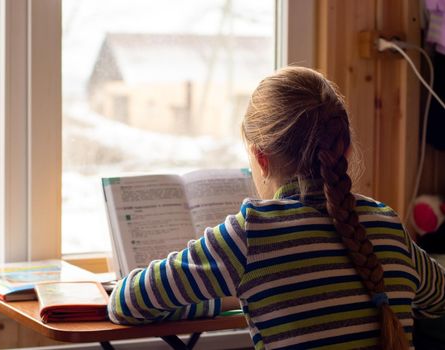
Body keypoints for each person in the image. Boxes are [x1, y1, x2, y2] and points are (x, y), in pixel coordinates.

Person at [107, 66, 445, 350]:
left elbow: (127, 302)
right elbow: (439, 298)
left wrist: (216, 298)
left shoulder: (252, 232)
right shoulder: (388, 226)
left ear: (260, 157)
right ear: (343, 149)